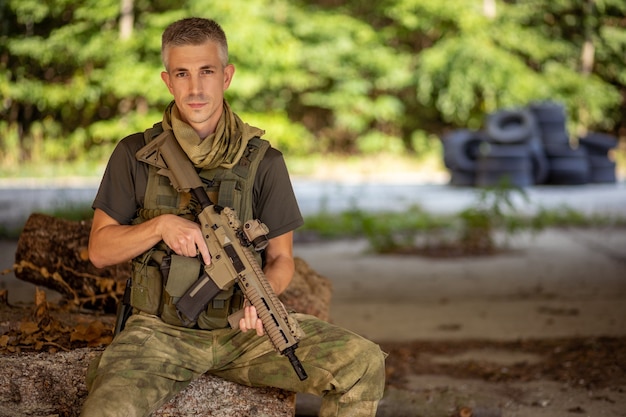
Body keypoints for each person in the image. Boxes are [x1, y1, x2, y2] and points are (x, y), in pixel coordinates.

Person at [81, 17, 386, 417]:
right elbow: (100, 251)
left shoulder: (264, 162)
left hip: (243, 335)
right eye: (182, 73)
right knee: (106, 409)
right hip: (159, 334)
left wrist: (260, 302)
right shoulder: (135, 154)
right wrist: (159, 226)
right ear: (167, 81)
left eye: (206, 72)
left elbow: (281, 259)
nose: (195, 88)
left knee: (363, 363)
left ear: (226, 76)